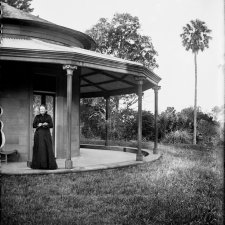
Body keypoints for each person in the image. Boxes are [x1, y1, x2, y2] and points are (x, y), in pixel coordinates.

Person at [31, 104, 58, 170]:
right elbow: (33, 125)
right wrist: (38, 124)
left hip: (46, 135)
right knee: (39, 149)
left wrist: (47, 124)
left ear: (45, 110)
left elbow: (51, 125)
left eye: (43, 109)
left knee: (46, 148)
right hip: (38, 136)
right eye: (40, 109)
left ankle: (47, 165)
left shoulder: (48, 116)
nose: (41, 110)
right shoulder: (37, 117)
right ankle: (38, 165)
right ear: (39, 110)